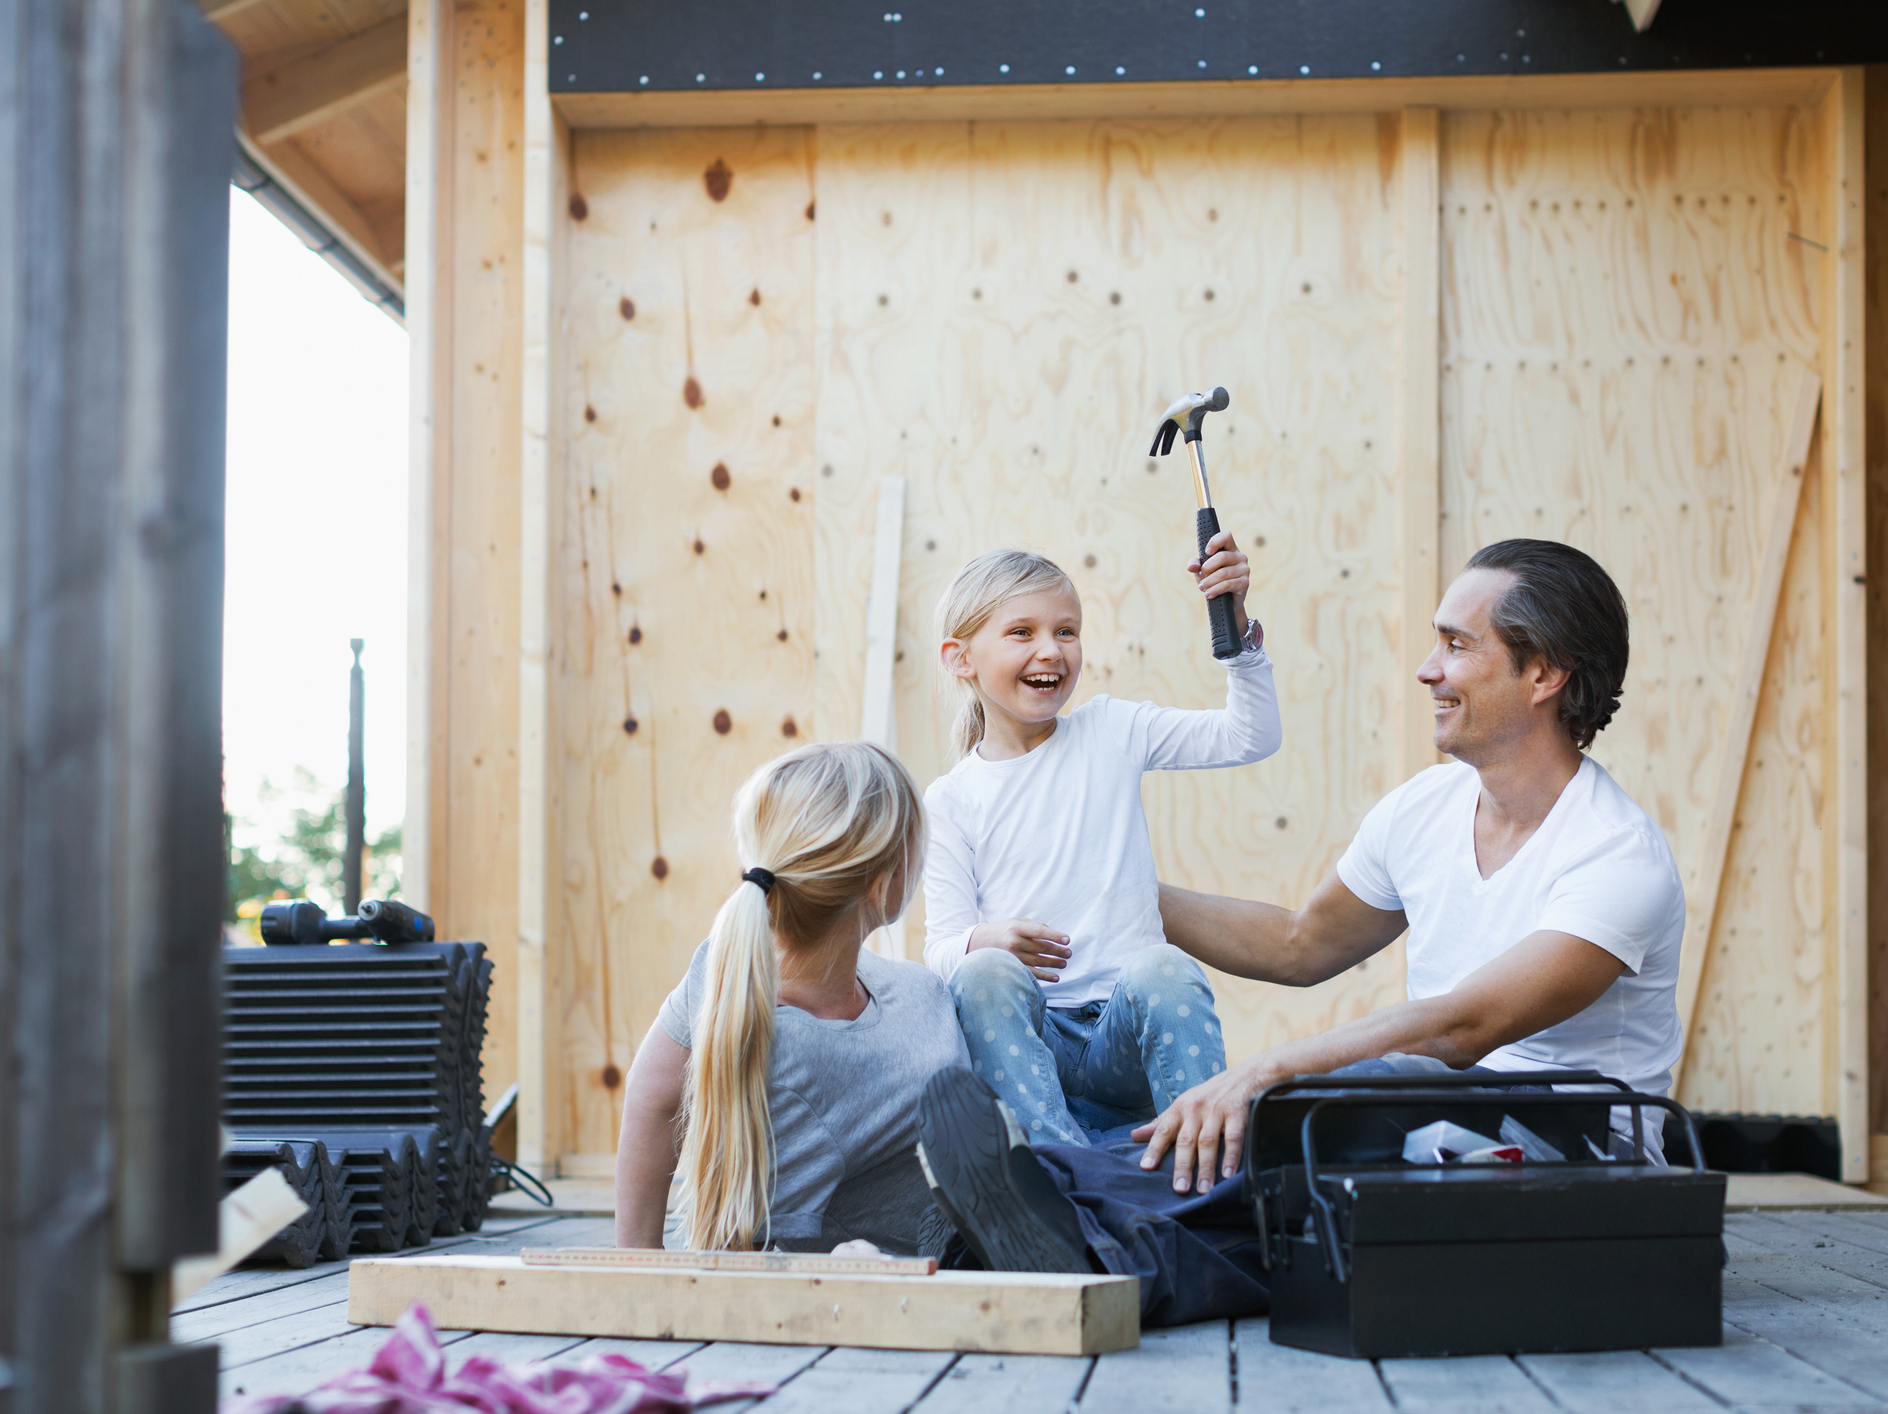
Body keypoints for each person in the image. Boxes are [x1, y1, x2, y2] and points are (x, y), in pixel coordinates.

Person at [912, 538, 1687, 1324]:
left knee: (1328, 1110)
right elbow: (1299, 944)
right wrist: (1094, 888)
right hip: (1436, 1131)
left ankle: (1049, 1197)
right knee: (1291, 1224)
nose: (1426, 668)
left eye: (1455, 645)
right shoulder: (1425, 810)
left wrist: (1261, 1074)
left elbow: (1464, 1028)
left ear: (1543, 674)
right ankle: (1095, 1255)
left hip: (1574, 1148)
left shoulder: (1615, 858)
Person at [919, 537, 1280, 1145]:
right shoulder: (951, 800)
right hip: (1036, 1045)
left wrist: (1236, 628)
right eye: (1021, 633)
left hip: (1124, 1037)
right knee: (982, 975)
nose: (1050, 651)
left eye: (1066, 631)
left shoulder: (1112, 729)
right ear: (961, 658)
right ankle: (1059, 1170)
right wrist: (987, 939)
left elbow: (1250, 736)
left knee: (1165, 967)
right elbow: (941, 949)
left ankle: (1209, 1163)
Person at [612, 741, 964, 1254]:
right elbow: (748, 1252)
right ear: (883, 884)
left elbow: (651, 1093)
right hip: (938, 1258)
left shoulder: (724, 966)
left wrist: (634, 1260)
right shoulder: (799, 1055)